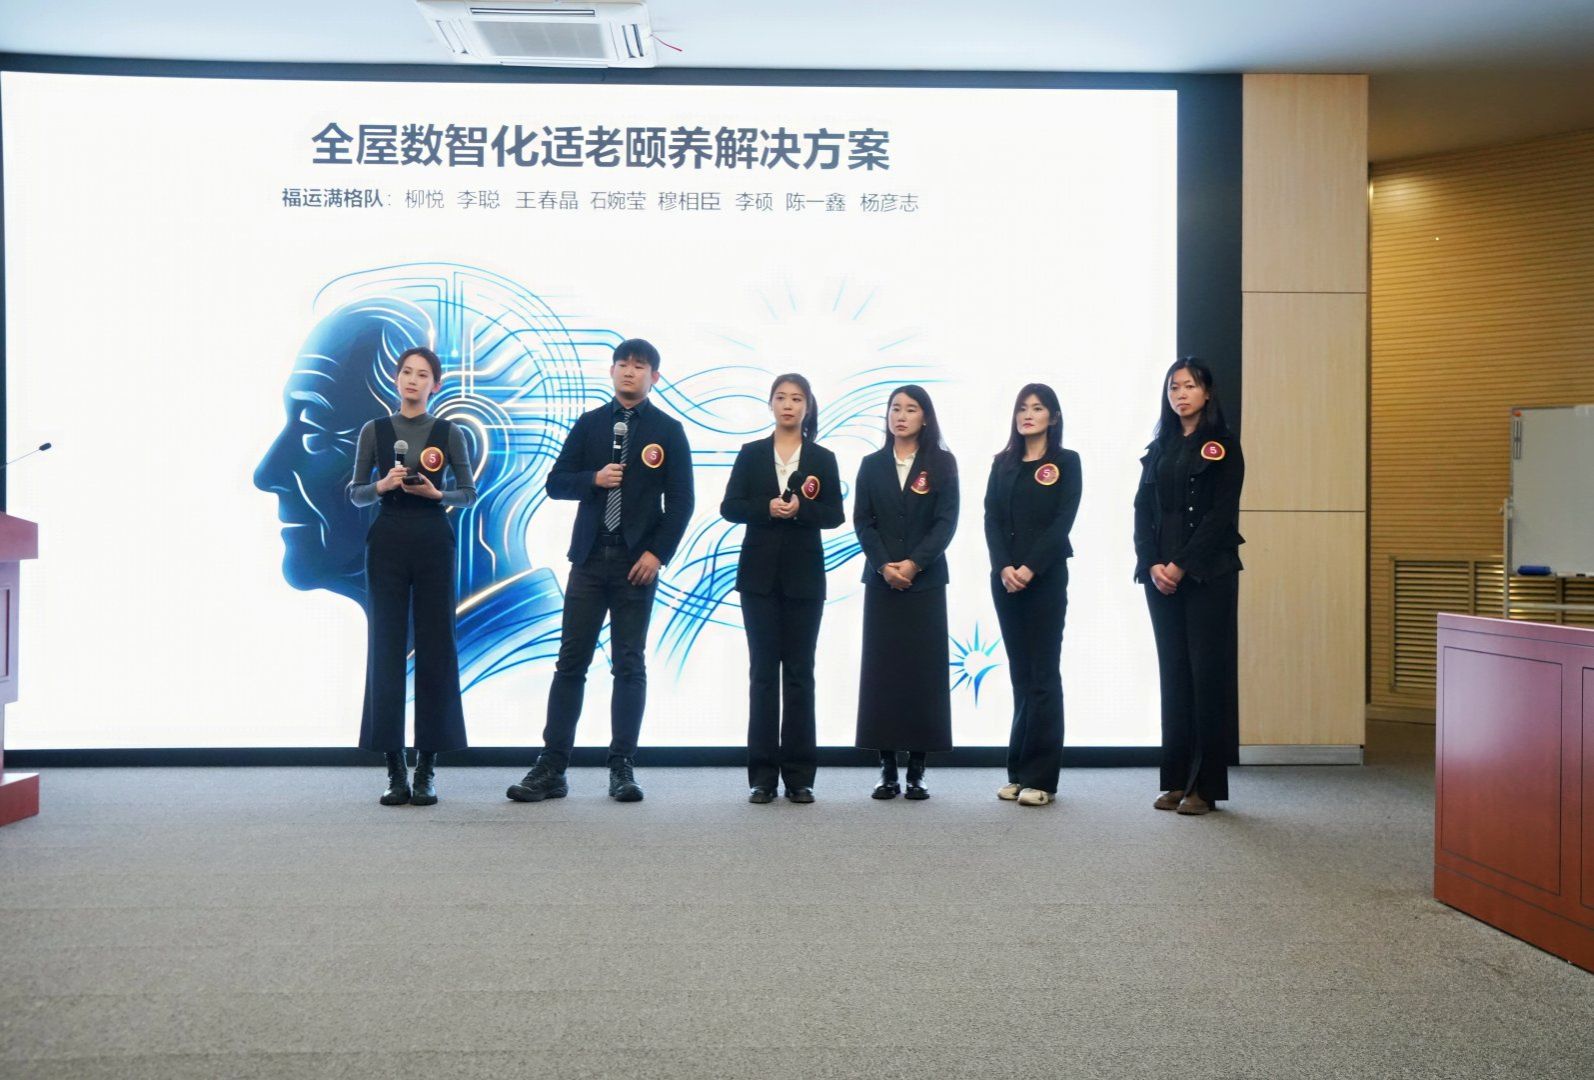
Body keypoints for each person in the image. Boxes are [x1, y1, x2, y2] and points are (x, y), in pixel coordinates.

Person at [506, 339, 695, 804]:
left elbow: (682, 502)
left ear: (654, 377)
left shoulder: (668, 430)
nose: (629, 372)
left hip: (636, 564)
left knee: (629, 664)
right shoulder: (590, 424)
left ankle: (622, 767)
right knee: (571, 662)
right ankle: (552, 767)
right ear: (611, 371)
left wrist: (657, 554)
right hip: (589, 560)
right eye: (622, 364)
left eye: (640, 366)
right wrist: (594, 478)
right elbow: (555, 483)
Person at [346, 346, 476, 806]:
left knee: (436, 648)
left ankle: (427, 769)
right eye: (406, 372)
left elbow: (468, 493)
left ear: (435, 385)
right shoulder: (375, 431)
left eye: (423, 375)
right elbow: (356, 492)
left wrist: (438, 494)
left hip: (433, 538)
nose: (413, 380)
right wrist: (381, 485)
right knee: (385, 648)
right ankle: (394, 768)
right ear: (396, 379)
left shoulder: (448, 432)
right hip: (388, 539)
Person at [719, 374, 846, 804]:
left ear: (808, 407)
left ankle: (799, 776)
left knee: (799, 674)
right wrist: (767, 508)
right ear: (770, 404)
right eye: (781, 398)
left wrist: (801, 510)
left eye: (796, 399)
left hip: (804, 579)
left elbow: (835, 515)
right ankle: (761, 776)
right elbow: (729, 506)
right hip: (757, 579)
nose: (788, 405)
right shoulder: (751, 453)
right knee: (762, 675)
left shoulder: (823, 458)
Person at [1133, 358, 1245, 816]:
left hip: (1206, 574)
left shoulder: (1224, 446)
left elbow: (1220, 516)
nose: (1180, 394)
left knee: (1206, 677)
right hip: (1159, 576)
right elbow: (1142, 509)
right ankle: (1175, 780)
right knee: (1174, 676)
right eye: (1173, 387)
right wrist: (1151, 562)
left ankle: (1205, 787)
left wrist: (1180, 564)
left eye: (1189, 386)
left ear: (1207, 393)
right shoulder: (1159, 447)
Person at [853, 385, 960, 800]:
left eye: (910, 409)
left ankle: (917, 769)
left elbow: (946, 522)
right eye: (895, 409)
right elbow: (863, 521)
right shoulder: (871, 464)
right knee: (883, 675)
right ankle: (886, 770)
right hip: (882, 582)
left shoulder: (942, 463)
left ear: (925, 417)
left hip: (925, 582)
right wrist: (885, 565)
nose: (900, 416)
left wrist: (914, 564)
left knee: (922, 675)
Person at [984, 383, 1082, 807]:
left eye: (1038, 408)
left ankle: (1042, 778)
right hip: (1005, 579)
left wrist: (1030, 567)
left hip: (1044, 577)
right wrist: (1004, 566)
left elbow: (1063, 520)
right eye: (1022, 408)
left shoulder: (1066, 462)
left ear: (1053, 417)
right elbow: (990, 517)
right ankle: (1018, 773)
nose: (1028, 415)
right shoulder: (1002, 463)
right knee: (1020, 675)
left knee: (1043, 674)